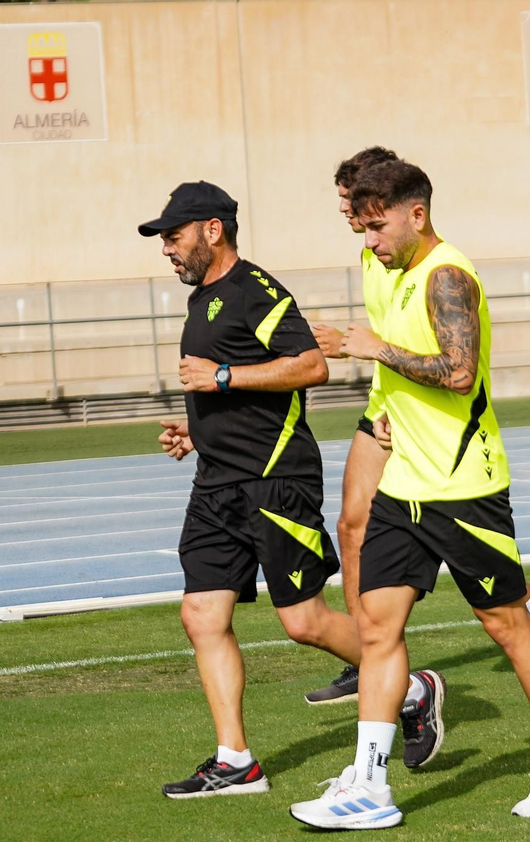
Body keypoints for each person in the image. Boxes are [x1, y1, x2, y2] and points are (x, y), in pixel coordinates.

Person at [290, 161, 530, 829]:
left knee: (506, 624)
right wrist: (384, 409)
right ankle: (371, 786)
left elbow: (459, 373)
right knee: (378, 630)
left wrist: (376, 350)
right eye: (364, 226)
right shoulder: (395, 272)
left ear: (416, 215)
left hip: (464, 487)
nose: (368, 239)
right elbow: (406, 367)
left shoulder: (447, 275)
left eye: (378, 226)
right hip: (403, 485)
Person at [142, 181, 445, 798]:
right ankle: (236, 762)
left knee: (302, 621)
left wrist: (221, 377)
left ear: (211, 230)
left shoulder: (256, 290)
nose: (166, 250)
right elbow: (234, 395)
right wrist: (199, 433)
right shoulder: (201, 300)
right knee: (201, 614)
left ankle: (413, 690)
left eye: (172, 237)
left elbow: (311, 365)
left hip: (274, 481)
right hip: (217, 483)